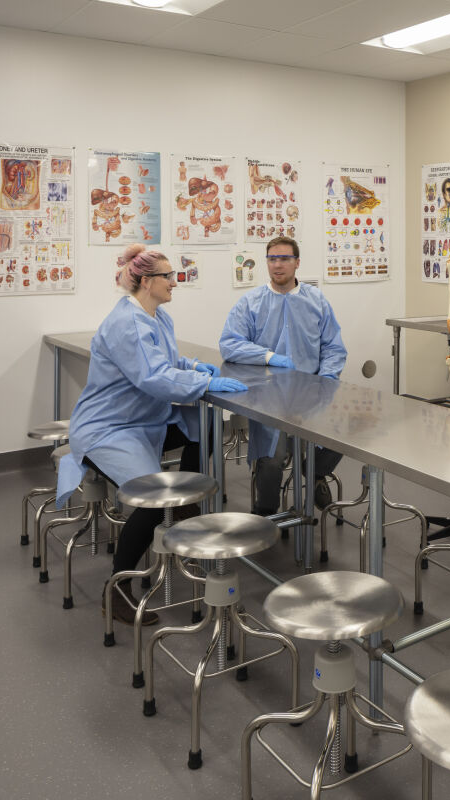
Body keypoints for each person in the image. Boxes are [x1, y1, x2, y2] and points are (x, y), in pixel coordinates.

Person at [56, 244, 248, 624]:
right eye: (168, 276)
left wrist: (196, 367)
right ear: (146, 281)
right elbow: (155, 377)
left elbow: (168, 361)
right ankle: (117, 589)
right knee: (151, 498)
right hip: (108, 428)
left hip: (143, 420)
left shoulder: (156, 316)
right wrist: (197, 381)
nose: (174, 282)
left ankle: (187, 505)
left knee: (202, 428)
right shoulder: (127, 322)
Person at [220, 236, 347, 515]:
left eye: (285, 259)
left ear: (297, 263)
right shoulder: (251, 303)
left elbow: (334, 348)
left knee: (343, 435)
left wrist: (326, 380)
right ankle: (266, 512)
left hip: (312, 393)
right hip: (268, 396)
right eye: (272, 259)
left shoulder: (316, 300)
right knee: (272, 461)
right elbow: (229, 344)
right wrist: (268, 357)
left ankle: (313, 473)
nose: (278, 265)